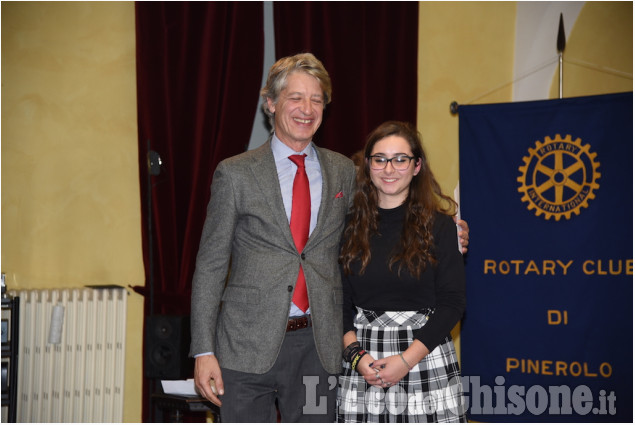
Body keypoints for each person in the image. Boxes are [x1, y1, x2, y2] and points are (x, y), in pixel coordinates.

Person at [190, 53, 470, 422]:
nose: (307, 109)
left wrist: (449, 233)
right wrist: (203, 350)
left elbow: (387, 212)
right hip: (245, 347)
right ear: (271, 103)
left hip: (319, 346)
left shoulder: (342, 171)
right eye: (295, 98)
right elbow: (210, 265)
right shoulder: (235, 174)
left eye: (317, 99)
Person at [337, 121, 466, 422]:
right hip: (364, 362)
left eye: (400, 159)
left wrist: (406, 361)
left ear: (417, 165)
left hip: (423, 354)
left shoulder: (441, 226)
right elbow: (339, 304)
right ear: (368, 166)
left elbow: (452, 304)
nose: (389, 169)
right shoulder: (348, 228)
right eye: (379, 159)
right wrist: (357, 358)